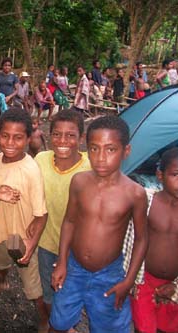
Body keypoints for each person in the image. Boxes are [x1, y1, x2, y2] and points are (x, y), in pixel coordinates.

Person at [50, 115, 148, 333]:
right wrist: (63, 261)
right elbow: (69, 221)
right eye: (94, 149)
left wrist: (129, 281)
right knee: (58, 322)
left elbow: (142, 239)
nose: (101, 157)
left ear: (126, 151)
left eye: (110, 149)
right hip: (74, 268)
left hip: (109, 274)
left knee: (109, 327)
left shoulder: (134, 193)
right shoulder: (79, 182)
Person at [0, 109, 49, 333]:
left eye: (18, 137)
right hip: (3, 230)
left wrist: (31, 244)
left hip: (23, 236)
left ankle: (44, 319)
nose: (10, 142)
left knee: (33, 287)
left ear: (28, 138)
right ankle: (1, 282)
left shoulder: (31, 170)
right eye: (5, 136)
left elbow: (42, 214)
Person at [35, 110, 90, 332]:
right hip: (47, 242)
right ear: (49, 136)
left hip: (78, 248)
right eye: (57, 134)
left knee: (72, 292)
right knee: (49, 291)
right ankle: (52, 322)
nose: (63, 141)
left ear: (82, 139)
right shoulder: (41, 160)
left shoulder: (92, 166)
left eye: (71, 135)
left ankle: (65, 324)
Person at [131, 147, 178, 333]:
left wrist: (175, 285)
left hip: (174, 285)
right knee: (143, 328)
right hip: (144, 281)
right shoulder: (147, 202)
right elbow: (132, 239)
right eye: (176, 174)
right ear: (160, 175)